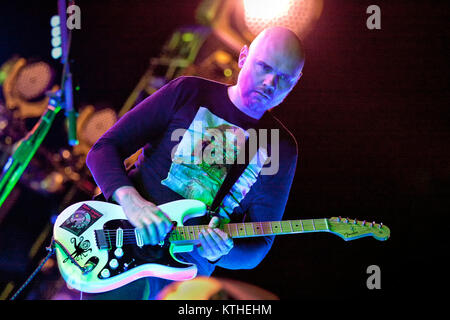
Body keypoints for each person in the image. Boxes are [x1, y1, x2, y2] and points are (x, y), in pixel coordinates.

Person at [85, 26, 305, 299]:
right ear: (243, 57)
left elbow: (259, 245)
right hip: (121, 246)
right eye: (264, 67)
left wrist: (223, 253)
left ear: (296, 83)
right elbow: (103, 149)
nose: (271, 82)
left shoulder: (282, 149)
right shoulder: (189, 91)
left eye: (285, 79)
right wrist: (133, 203)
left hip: (182, 279)